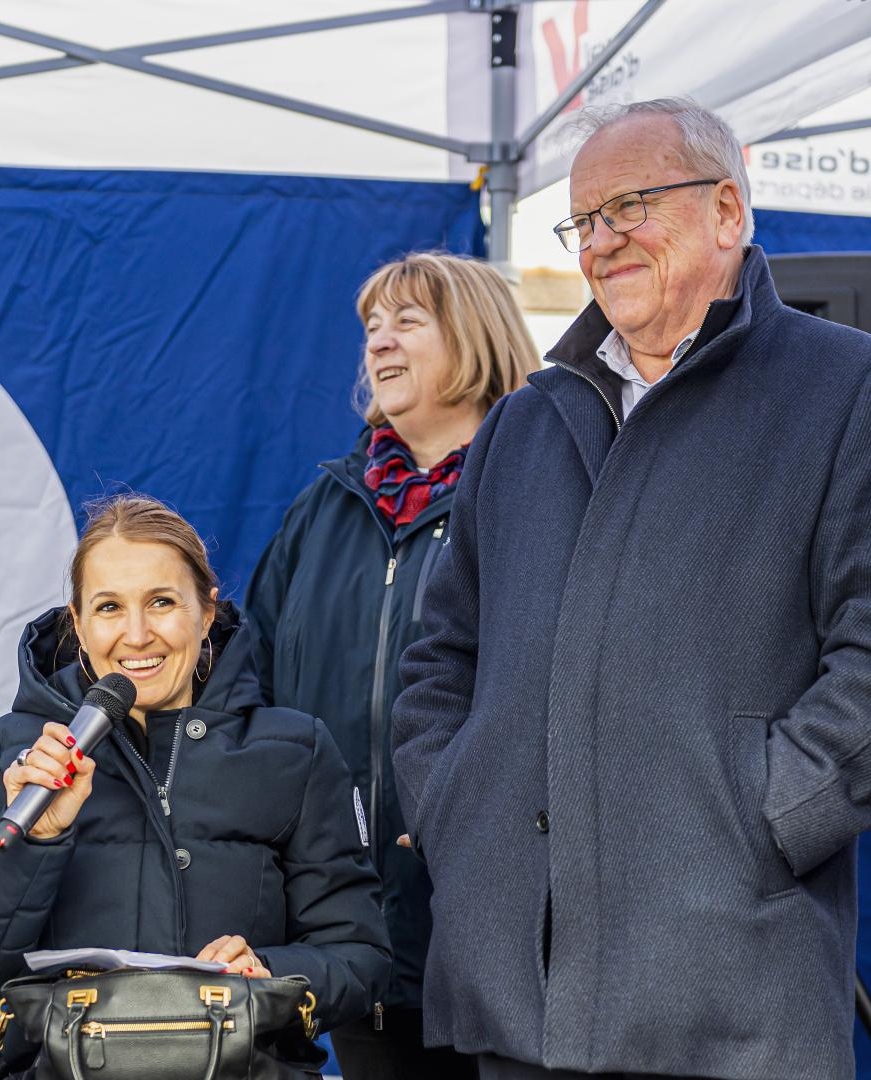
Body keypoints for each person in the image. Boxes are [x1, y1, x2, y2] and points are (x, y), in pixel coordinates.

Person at [391, 97, 871, 1080]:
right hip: (517, 1000)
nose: (601, 241)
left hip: (736, 996)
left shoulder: (845, 388)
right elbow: (440, 657)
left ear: (727, 210)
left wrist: (766, 818)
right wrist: (454, 806)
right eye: (583, 220)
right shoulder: (523, 423)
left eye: (630, 206)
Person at [0, 494, 391, 1077]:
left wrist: (270, 973)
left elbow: (360, 957)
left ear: (207, 611)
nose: (137, 634)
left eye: (161, 602)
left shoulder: (295, 750)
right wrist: (34, 840)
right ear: (78, 624)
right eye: (109, 607)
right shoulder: (17, 752)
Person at [245, 252, 539, 1078]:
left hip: (496, 926)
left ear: (476, 338)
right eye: (372, 326)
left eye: (408, 321)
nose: (379, 342)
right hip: (352, 927)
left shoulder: (534, 491)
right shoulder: (324, 508)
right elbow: (251, 679)